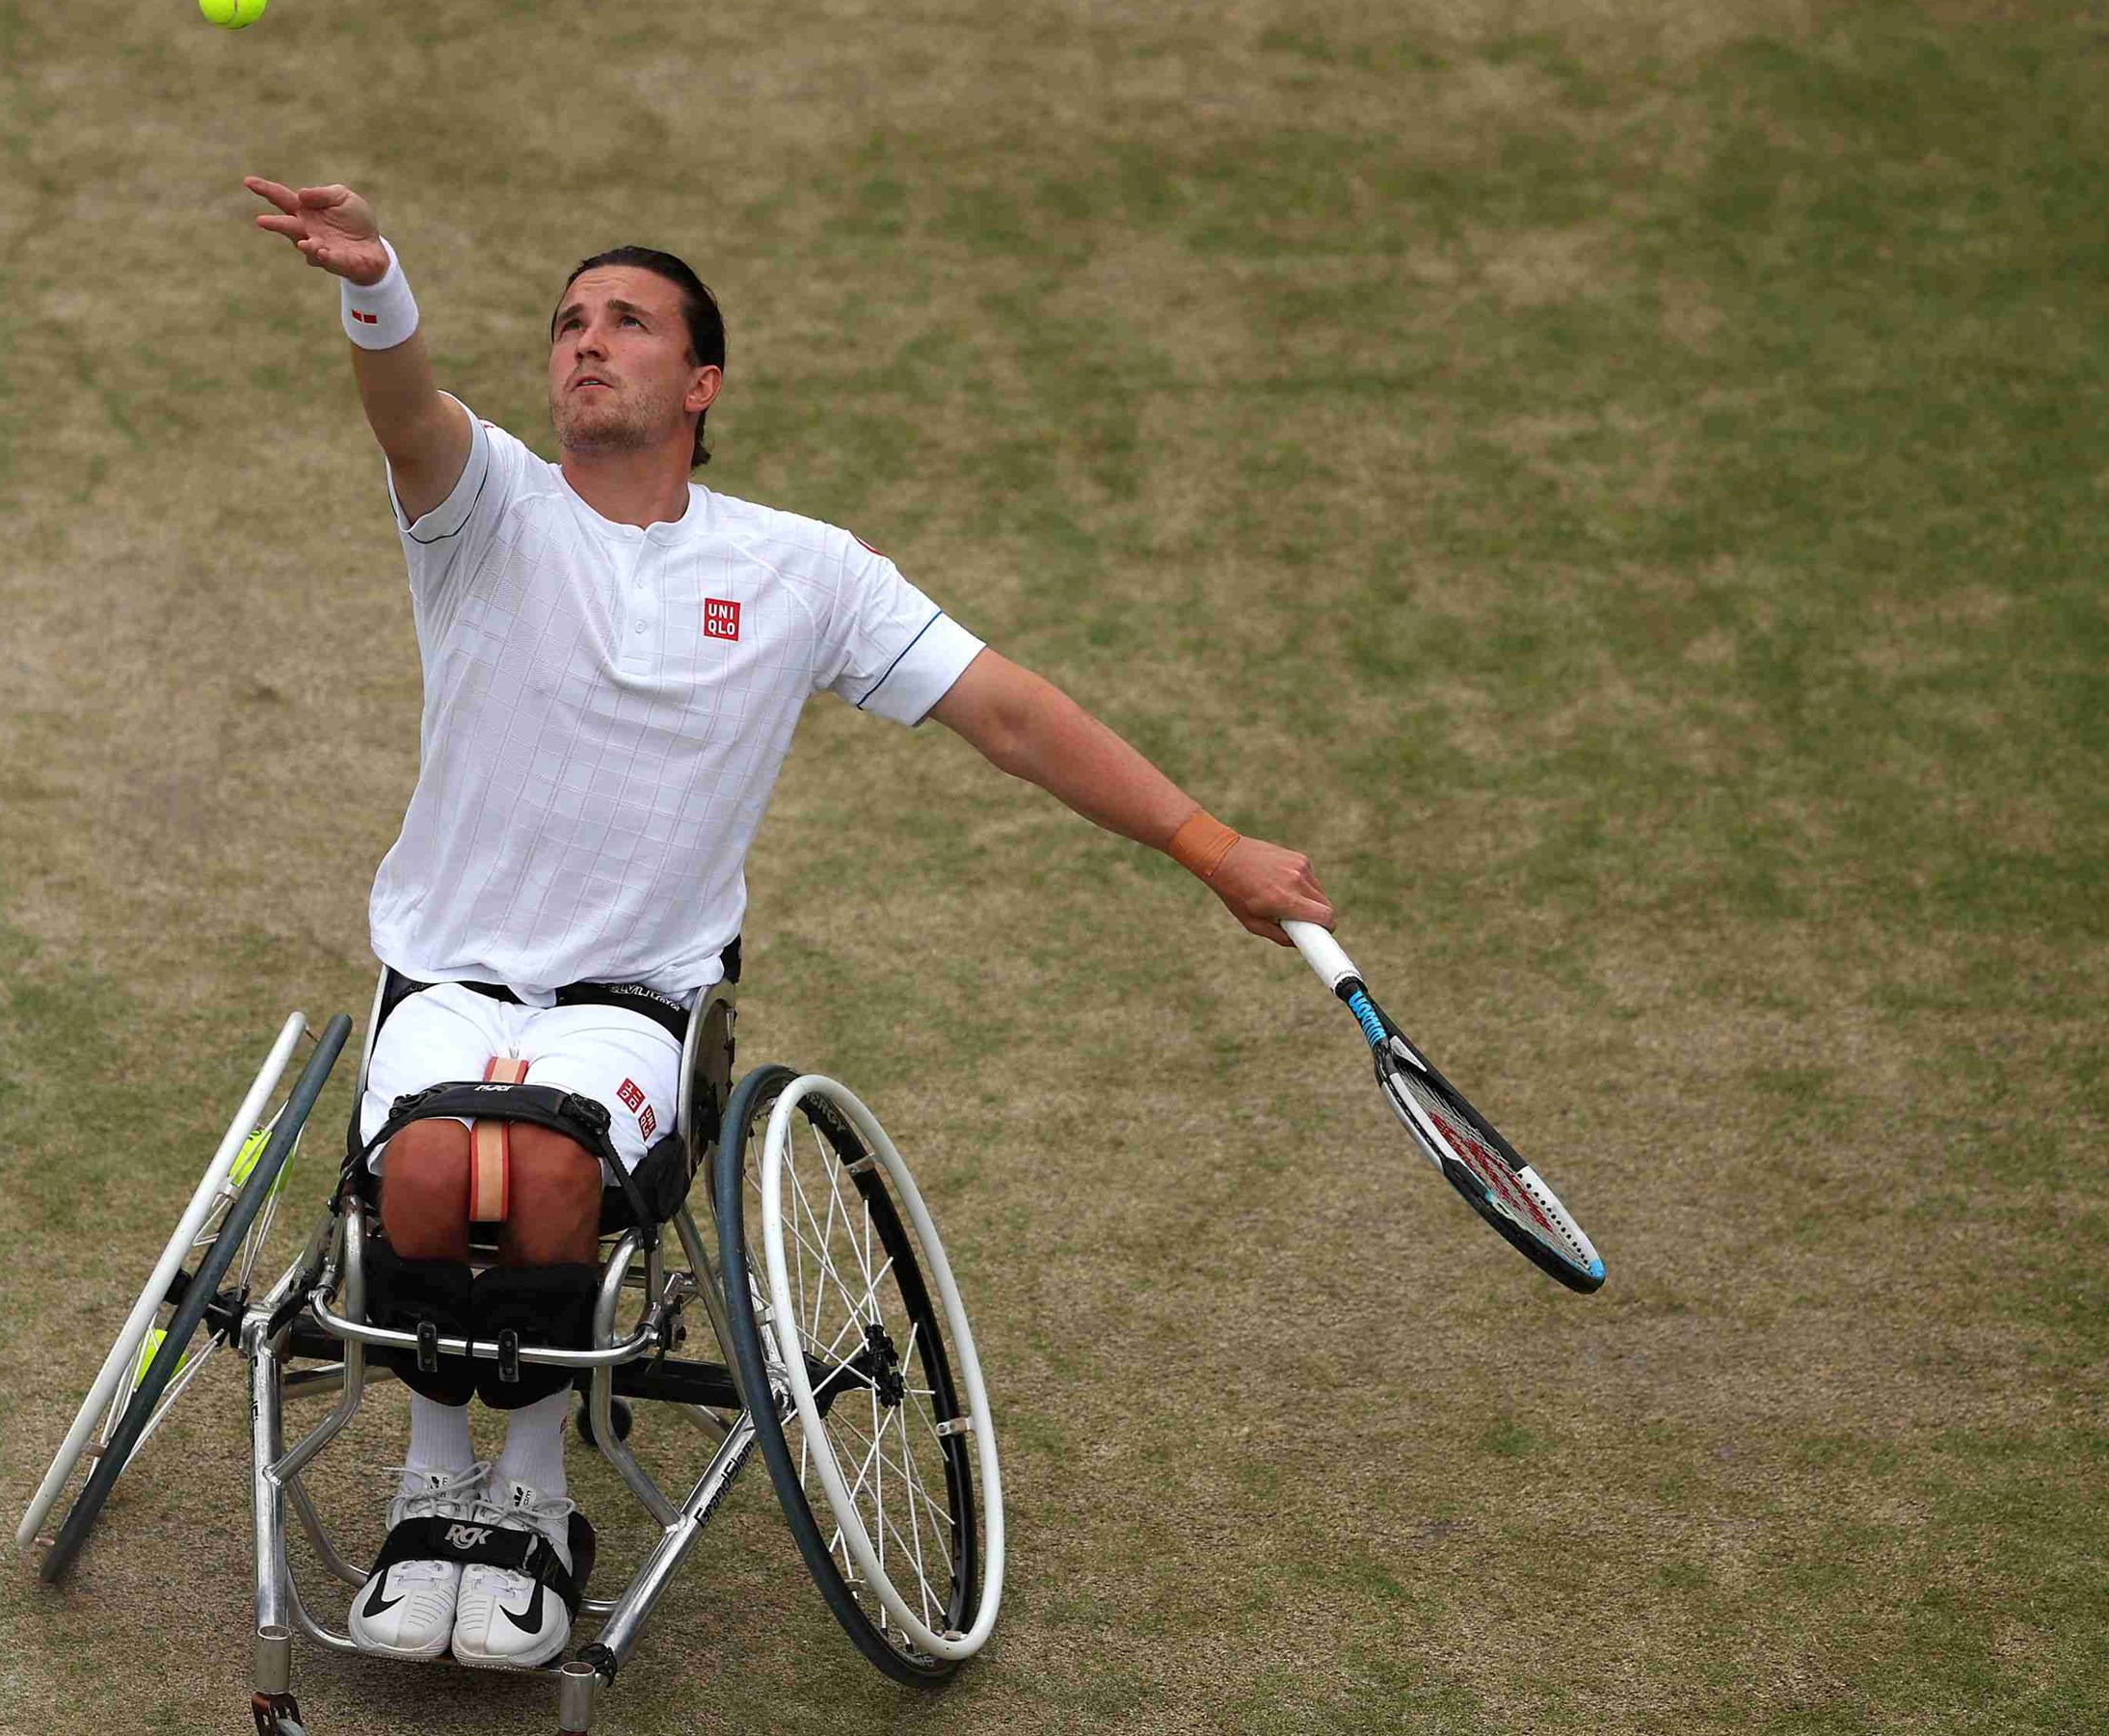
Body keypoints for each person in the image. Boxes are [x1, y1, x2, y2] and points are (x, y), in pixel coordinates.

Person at [243, 176, 1335, 1670]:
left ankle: (536, 1500)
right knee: (431, 1173)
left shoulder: (803, 572)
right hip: (446, 976)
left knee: (547, 1181)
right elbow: (405, 410)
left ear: (700, 385)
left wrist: (1211, 849)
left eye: (626, 322)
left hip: (633, 1006)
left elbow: (1011, 715)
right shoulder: (485, 506)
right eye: (568, 322)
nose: (585, 343)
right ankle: (440, 1490)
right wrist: (375, 285)